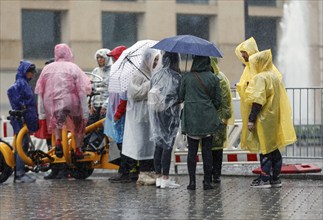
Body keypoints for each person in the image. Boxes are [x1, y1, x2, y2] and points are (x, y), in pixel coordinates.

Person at [243, 49, 297, 188]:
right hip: (273, 117)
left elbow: (258, 100)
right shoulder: (273, 76)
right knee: (274, 148)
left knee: (266, 149)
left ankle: (265, 178)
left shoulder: (260, 78)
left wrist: (251, 119)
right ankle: (276, 178)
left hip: (263, 118)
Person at [35, 43, 91, 160]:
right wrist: (85, 112)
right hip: (71, 102)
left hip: (52, 102)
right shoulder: (73, 67)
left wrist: (42, 114)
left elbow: (40, 90)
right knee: (78, 125)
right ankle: (78, 150)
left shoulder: (47, 68)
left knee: (57, 122)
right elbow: (82, 90)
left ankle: (58, 142)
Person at [179, 55, 222, 190]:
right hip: (207, 118)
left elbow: (180, 97)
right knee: (207, 152)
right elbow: (218, 101)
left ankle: (192, 182)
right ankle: (207, 182)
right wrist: (209, 107)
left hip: (191, 118)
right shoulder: (213, 78)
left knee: (192, 152)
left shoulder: (187, 77)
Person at [122, 48, 160, 185]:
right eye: (154, 60)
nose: (156, 63)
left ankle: (151, 170)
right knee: (143, 143)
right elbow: (134, 93)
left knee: (151, 143)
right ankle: (143, 172)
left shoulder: (151, 74)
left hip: (150, 114)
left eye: (157, 60)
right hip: (141, 115)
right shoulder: (138, 75)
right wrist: (150, 84)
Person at [104, 46, 138, 183]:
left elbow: (124, 97)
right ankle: (128, 171)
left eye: (113, 57)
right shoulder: (118, 71)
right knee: (122, 144)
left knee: (124, 144)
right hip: (118, 113)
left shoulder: (125, 73)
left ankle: (125, 171)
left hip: (122, 115)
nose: (112, 60)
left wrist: (118, 113)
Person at [148, 51, 181, 189]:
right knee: (168, 144)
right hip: (170, 113)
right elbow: (180, 95)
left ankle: (158, 177)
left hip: (157, 113)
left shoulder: (156, 75)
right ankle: (166, 178)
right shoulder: (177, 76)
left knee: (159, 143)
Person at [7, 60, 39, 183]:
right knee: (22, 144)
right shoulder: (21, 83)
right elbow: (11, 91)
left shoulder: (24, 83)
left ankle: (20, 172)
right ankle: (19, 174)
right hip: (21, 118)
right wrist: (20, 107)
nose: (32, 74)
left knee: (23, 144)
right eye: (30, 72)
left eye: (32, 72)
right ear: (24, 72)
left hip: (24, 117)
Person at [210, 57, 234, 184]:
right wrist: (226, 116)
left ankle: (212, 174)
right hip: (219, 119)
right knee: (217, 148)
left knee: (211, 148)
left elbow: (225, 99)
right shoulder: (221, 78)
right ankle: (216, 174)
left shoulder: (216, 78)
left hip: (211, 118)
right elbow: (226, 100)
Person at [88, 48, 112, 125]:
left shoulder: (112, 70)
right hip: (95, 105)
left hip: (106, 105)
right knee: (89, 127)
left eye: (102, 57)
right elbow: (91, 88)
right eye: (98, 57)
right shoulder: (95, 71)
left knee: (102, 127)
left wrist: (105, 105)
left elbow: (113, 91)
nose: (99, 60)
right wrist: (90, 104)